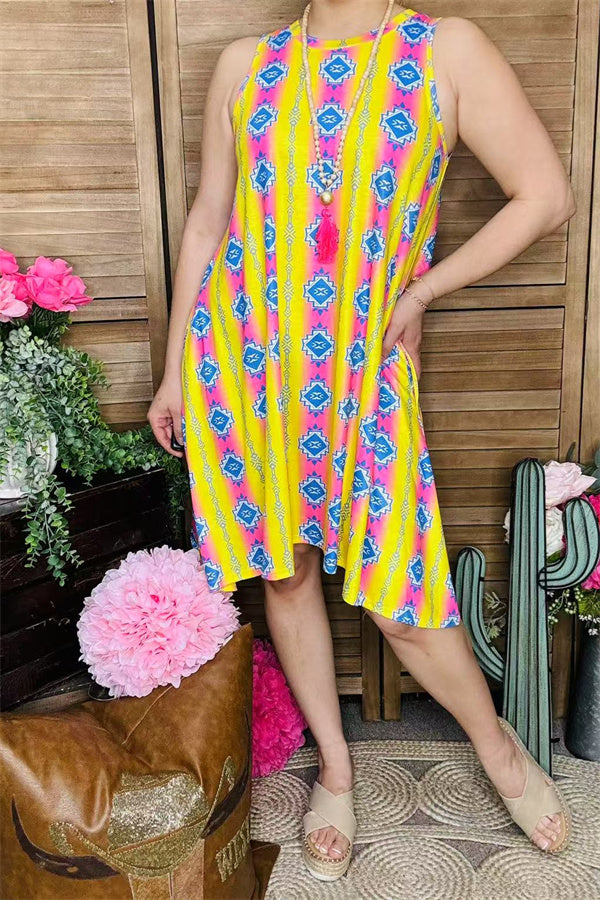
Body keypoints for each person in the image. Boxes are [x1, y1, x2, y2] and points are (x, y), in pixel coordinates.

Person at [148, 0, 576, 882]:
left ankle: (498, 750)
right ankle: (336, 771)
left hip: (364, 366)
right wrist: (175, 370)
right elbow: (207, 223)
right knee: (286, 570)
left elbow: (546, 194)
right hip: (245, 363)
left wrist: (422, 292)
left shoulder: (444, 50)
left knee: (401, 600)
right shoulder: (246, 65)